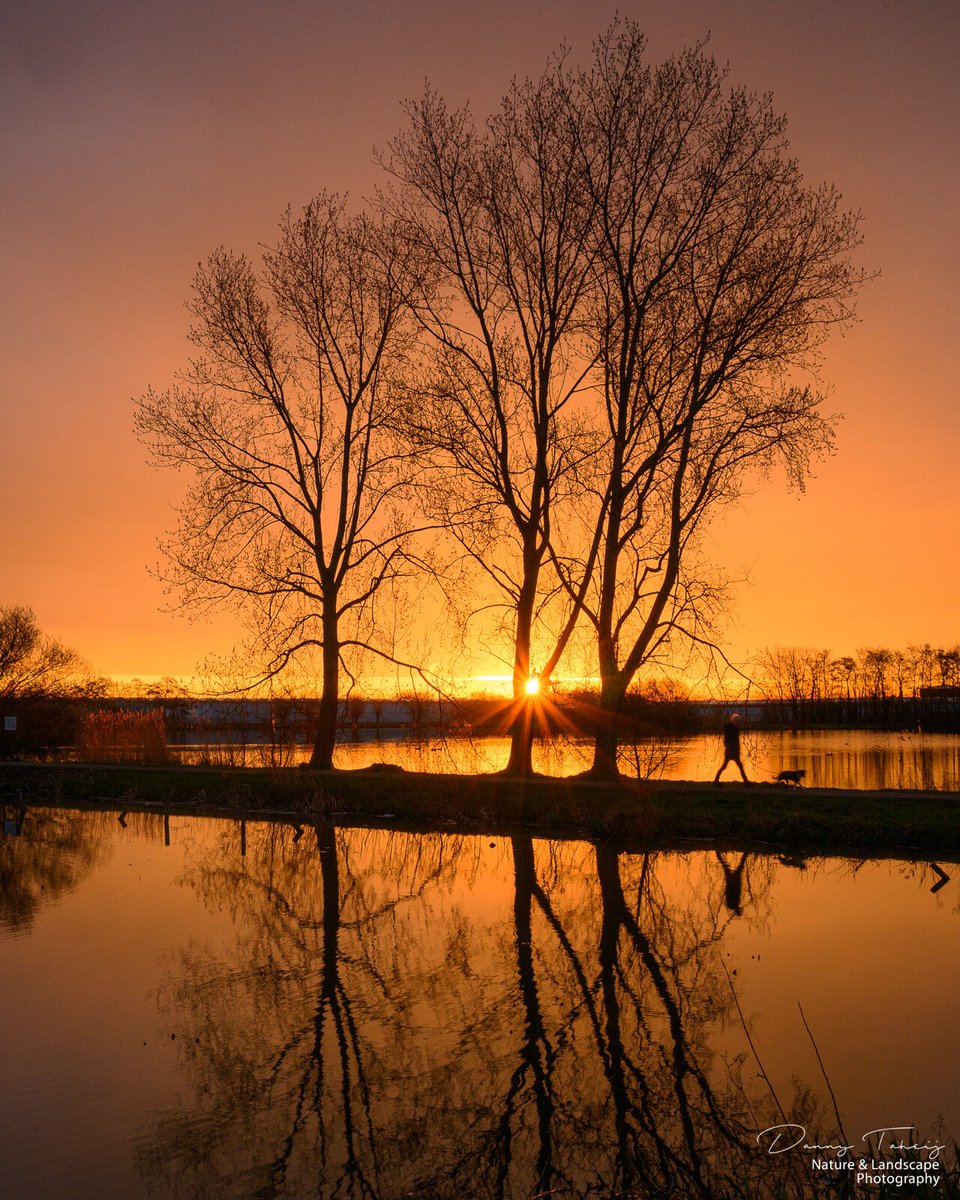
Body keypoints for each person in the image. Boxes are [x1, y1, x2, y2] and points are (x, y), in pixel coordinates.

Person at [713, 712, 750, 784]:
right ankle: (746, 782)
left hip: (732, 751)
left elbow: (733, 741)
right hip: (731, 751)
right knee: (734, 766)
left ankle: (716, 780)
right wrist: (733, 750)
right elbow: (729, 741)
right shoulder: (731, 730)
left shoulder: (732, 728)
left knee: (729, 766)